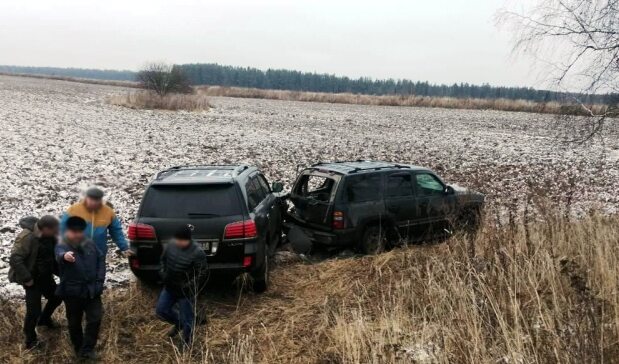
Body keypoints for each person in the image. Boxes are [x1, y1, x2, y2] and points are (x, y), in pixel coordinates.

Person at [8, 216, 63, 349]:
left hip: (45, 275)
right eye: (54, 231)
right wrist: (27, 279)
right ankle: (30, 340)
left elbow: (53, 255)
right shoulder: (27, 237)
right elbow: (15, 258)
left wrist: (62, 272)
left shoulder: (51, 236)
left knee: (56, 297)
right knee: (33, 311)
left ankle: (44, 320)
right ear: (44, 229)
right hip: (32, 279)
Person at [55, 216, 105, 360]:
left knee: (95, 319)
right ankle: (79, 348)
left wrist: (99, 281)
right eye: (74, 232)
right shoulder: (62, 245)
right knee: (74, 322)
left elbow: (100, 259)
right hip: (72, 292)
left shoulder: (90, 244)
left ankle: (88, 349)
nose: (77, 235)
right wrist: (65, 256)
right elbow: (59, 255)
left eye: (80, 232)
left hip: (92, 290)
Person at [156, 225, 207, 347]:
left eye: (181, 240)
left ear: (188, 239)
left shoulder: (197, 252)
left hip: (186, 292)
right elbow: (162, 261)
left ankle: (187, 342)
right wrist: (163, 274)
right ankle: (179, 323)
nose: (178, 242)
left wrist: (189, 285)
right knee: (161, 310)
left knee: (188, 319)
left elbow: (203, 273)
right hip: (169, 287)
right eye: (177, 239)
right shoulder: (171, 245)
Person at [60, 186, 132, 258]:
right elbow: (62, 229)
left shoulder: (108, 212)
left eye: (96, 200)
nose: (93, 202)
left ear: (100, 200)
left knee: (99, 269)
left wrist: (124, 247)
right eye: (91, 199)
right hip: (77, 251)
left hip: (99, 252)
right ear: (86, 198)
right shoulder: (74, 210)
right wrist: (63, 250)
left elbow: (116, 231)